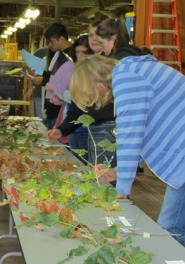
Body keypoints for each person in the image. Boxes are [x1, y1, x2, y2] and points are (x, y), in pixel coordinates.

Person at [70, 53, 185, 249]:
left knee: (170, 229)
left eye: (91, 95)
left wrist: (122, 188)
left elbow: (130, 132)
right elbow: (143, 131)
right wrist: (118, 171)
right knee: (174, 226)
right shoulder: (132, 72)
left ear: (97, 84)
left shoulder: (125, 77)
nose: (98, 101)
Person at [47, 19, 142, 167]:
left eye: (98, 39)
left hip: (109, 128)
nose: (95, 42)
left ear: (112, 38)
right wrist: (63, 129)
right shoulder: (105, 62)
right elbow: (81, 103)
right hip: (100, 128)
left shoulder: (117, 63)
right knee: (99, 177)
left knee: (106, 179)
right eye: (91, 36)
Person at [46, 35, 91, 163]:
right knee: (74, 162)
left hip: (84, 128)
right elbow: (75, 99)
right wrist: (63, 101)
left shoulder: (91, 74)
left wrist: (57, 92)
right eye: (77, 52)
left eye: (84, 52)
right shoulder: (77, 70)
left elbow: (79, 98)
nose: (80, 55)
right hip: (72, 123)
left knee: (84, 163)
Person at [30, 23, 72, 130]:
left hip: (61, 108)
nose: (49, 45)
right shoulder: (59, 54)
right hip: (52, 106)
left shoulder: (70, 56)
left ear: (61, 39)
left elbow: (63, 83)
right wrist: (41, 74)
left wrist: (43, 81)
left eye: (51, 41)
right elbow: (56, 77)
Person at [27, 47, 48, 119]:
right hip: (39, 94)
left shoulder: (60, 53)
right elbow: (30, 72)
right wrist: (30, 89)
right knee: (40, 120)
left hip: (53, 96)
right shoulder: (40, 52)